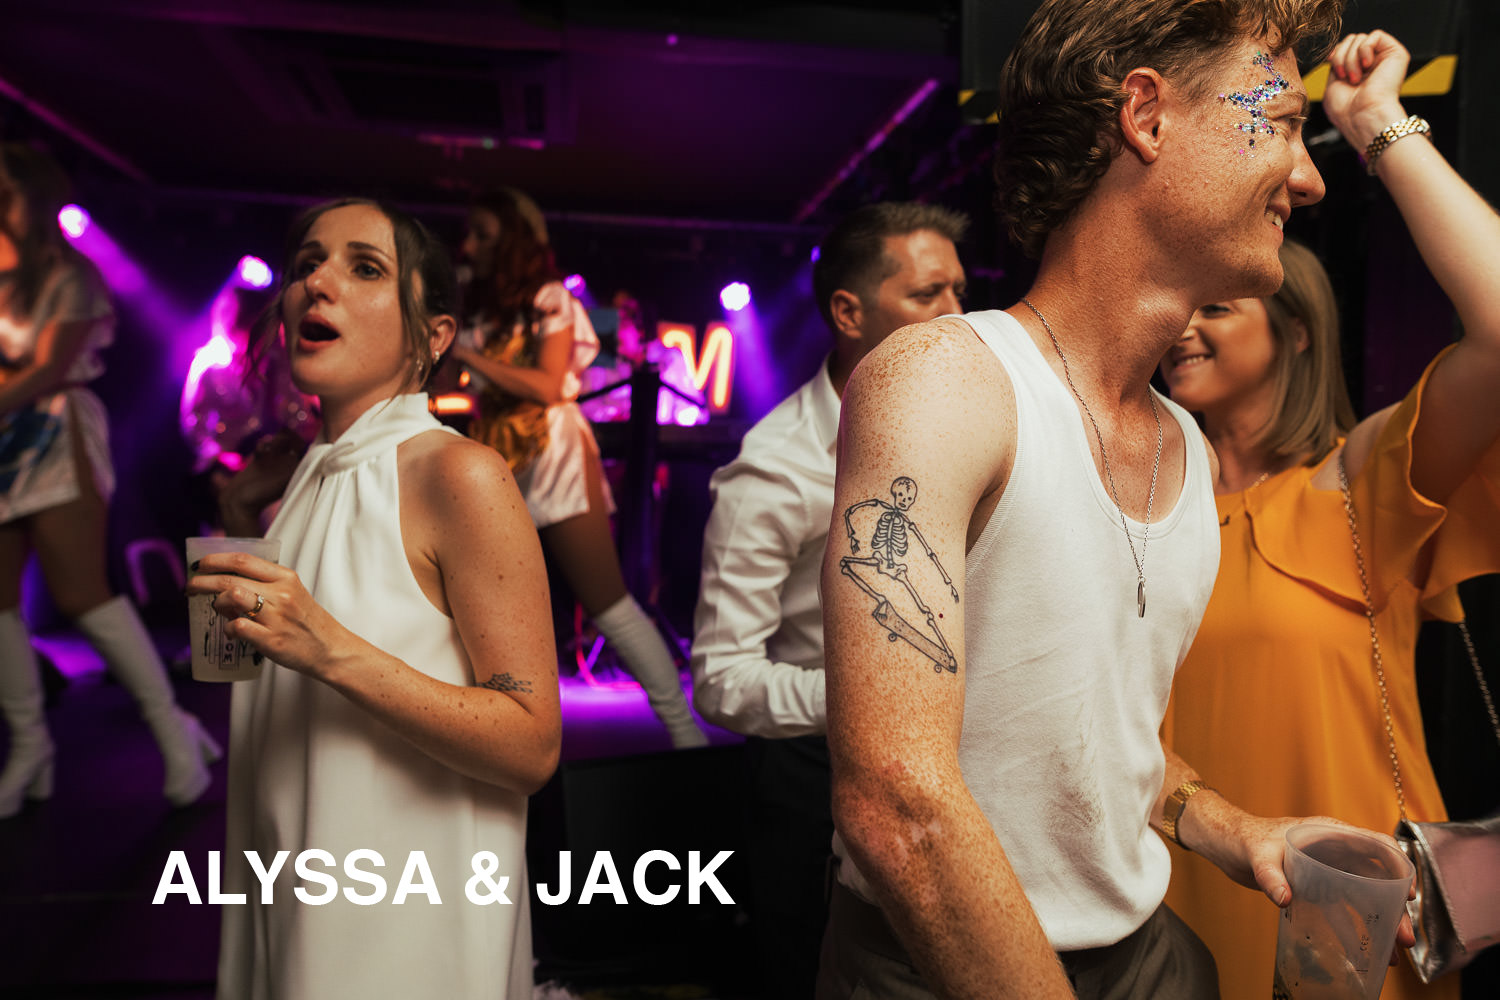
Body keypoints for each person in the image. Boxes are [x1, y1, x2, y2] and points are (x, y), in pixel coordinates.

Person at [814, 2, 1415, 998]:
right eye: (1279, 120)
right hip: (941, 964)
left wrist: (1240, 830)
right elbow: (895, 801)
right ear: (1148, 114)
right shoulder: (948, 380)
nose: (1307, 178)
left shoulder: (1182, 439)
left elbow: (1109, 754)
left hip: (1149, 954)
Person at [1160, 30, 1500, 1000]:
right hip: (1181, 909)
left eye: (1218, 308)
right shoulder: (1141, 510)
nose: (1184, 324)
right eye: (1180, 304)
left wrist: (1375, 123)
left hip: (1350, 929)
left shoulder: (1357, 484)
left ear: (1295, 331)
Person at [188, 199, 560, 999]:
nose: (317, 281)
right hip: (289, 873)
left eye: (365, 267)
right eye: (306, 264)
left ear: (433, 336)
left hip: (403, 913)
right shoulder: (302, 476)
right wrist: (235, 522)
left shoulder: (456, 473)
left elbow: (532, 746)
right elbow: (236, 684)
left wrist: (328, 647)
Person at [691, 201, 968, 998]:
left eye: (958, 289)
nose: (957, 316)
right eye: (927, 295)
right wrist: (877, 697)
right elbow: (721, 679)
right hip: (816, 774)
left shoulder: (973, 425)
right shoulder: (775, 471)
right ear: (848, 312)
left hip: (955, 759)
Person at [0, 142, 217, 818]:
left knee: (82, 592)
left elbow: (46, 368)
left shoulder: (73, 276)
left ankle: (172, 729)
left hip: (56, 431)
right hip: (6, 437)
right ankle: (30, 745)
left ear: (29, 201)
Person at [450, 187, 707, 749]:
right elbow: (450, 387)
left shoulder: (549, 300)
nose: (469, 244)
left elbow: (546, 385)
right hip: (493, 456)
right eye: (469, 234)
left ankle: (688, 738)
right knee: (476, 608)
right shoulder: (477, 308)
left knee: (608, 601)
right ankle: (492, 742)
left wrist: (467, 357)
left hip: (553, 451)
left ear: (514, 242)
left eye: (484, 235)